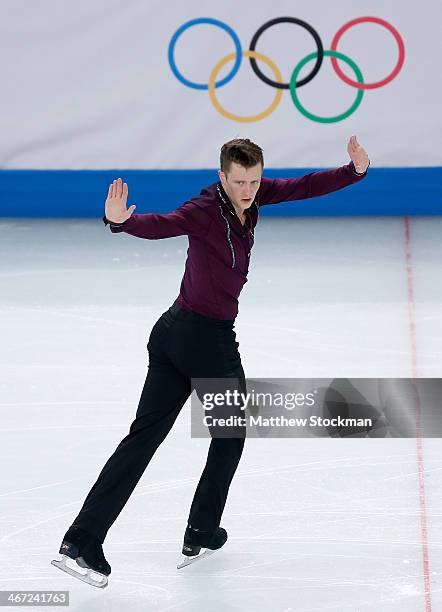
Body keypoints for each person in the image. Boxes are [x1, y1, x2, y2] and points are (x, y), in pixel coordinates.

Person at [51, 136, 370, 586]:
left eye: (254, 181)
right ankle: (198, 528)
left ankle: (82, 540)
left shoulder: (256, 195)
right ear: (222, 176)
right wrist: (119, 222)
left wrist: (353, 171)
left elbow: (304, 186)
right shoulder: (205, 210)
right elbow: (163, 223)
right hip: (204, 340)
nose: (247, 190)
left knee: (145, 440)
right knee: (227, 435)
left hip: (174, 334)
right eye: (238, 181)